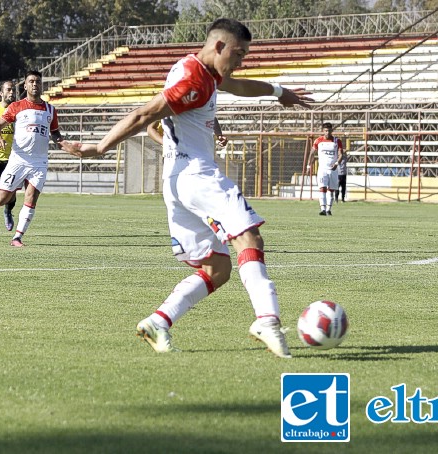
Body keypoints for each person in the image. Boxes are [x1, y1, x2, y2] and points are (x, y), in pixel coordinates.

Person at [61, 18, 312, 358]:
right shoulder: (194, 78)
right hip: (197, 176)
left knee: (217, 268)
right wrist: (100, 147)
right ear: (219, 46)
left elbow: (236, 85)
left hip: (177, 181)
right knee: (248, 237)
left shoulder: (201, 72)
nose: (241, 61)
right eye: (238, 54)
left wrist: (278, 92)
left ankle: (158, 321)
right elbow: (143, 114)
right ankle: (267, 321)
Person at [0, 71, 74, 247]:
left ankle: (17, 237)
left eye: (37, 81)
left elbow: (55, 132)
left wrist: (65, 144)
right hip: (18, 160)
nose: (35, 84)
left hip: (39, 162)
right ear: (25, 86)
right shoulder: (16, 106)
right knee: (1, 199)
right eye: (31, 81)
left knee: (31, 196)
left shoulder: (50, 110)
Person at [0, 81, 17, 237]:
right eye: (8, 89)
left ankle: (8, 210)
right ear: (1, 93)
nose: (12, 92)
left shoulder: (18, 111)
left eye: (13, 89)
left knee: (10, 194)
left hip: (12, 158)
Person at [309, 122, 343, 215]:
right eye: (326, 130)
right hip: (322, 169)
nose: (327, 132)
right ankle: (323, 209)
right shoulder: (318, 140)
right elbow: (312, 153)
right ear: (323, 131)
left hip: (333, 169)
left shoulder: (336, 141)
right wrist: (309, 165)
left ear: (332, 131)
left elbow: (341, 155)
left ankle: (329, 209)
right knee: (322, 188)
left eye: (329, 130)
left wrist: (336, 163)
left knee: (331, 189)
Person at [148, 118, 228, 148]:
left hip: (196, 153)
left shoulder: (197, 98)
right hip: (172, 155)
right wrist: (165, 142)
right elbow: (150, 128)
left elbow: (212, 118)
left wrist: (219, 135)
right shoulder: (165, 101)